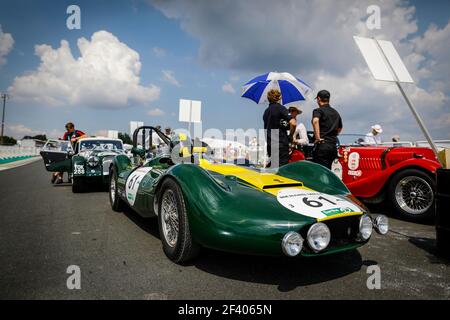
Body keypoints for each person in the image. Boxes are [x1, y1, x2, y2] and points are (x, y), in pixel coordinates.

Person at [263, 89, 296, 167]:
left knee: (274, 169)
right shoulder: (280, 108)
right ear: (279, 98)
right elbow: (293, 123)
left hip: (270, 145)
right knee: (282, 170)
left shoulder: (266, 111)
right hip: (281, 144)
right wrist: (291, 136)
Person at [311, 90, 343, 169]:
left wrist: (318, 138)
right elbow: (340, 128)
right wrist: (332, 135)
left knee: (320, 171)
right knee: (329, 172)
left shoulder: (318, 111)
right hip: (333, 146)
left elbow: (315, 121)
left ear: (318, 99)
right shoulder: (335, 112)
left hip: (322, 145)